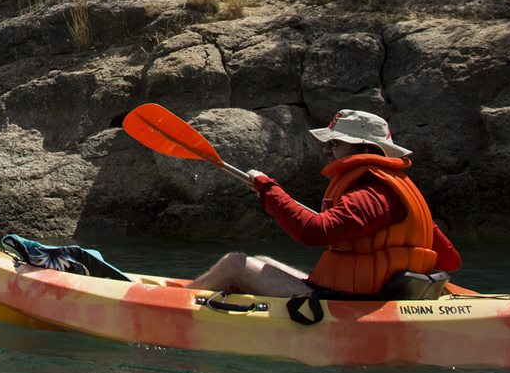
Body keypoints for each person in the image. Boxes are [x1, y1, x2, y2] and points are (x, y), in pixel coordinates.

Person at [189, 109, 461, 300]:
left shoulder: (370, 193)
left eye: (335, 143)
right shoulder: (391, 187)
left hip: (348, 302)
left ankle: (174, 302)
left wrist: (269, 189)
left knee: (235, 264)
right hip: (365, 293)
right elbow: (449, 260)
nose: (326, 150)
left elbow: (312, 232)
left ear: (364, 149)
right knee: (262, 262)